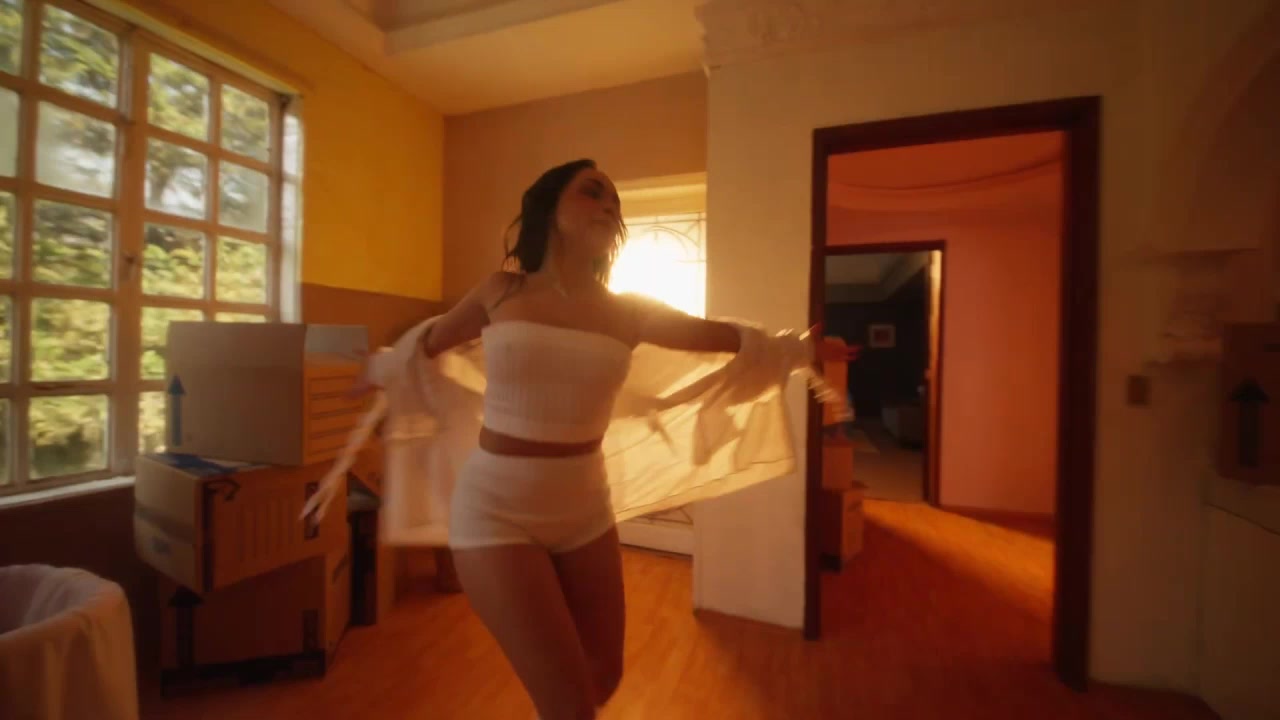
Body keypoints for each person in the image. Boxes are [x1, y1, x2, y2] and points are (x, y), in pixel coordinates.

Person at [315, 159, 855, 720]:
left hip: (585, 510)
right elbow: (426, 344)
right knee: (570, 705)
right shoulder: (502, 290)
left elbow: (728, 339)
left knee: (602, 677)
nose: (608, 208)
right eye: (593, 192)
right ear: (550, 208)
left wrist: (799, 348)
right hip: (495, 510)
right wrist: (378, 367)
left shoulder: (629, 311)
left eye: (615, 203)